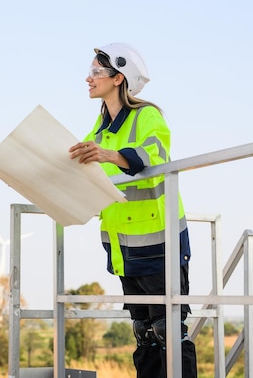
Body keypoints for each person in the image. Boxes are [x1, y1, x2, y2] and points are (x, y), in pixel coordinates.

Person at [69, 42, 197, 378]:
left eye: (96, 71)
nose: (88, 78)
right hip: (124, 251)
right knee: (145, 337)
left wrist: (109, 156)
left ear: (118, 78)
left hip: (159, 248)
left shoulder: (146, 115)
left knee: (169, 332)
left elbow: (155, 154)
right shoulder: (99, 131)